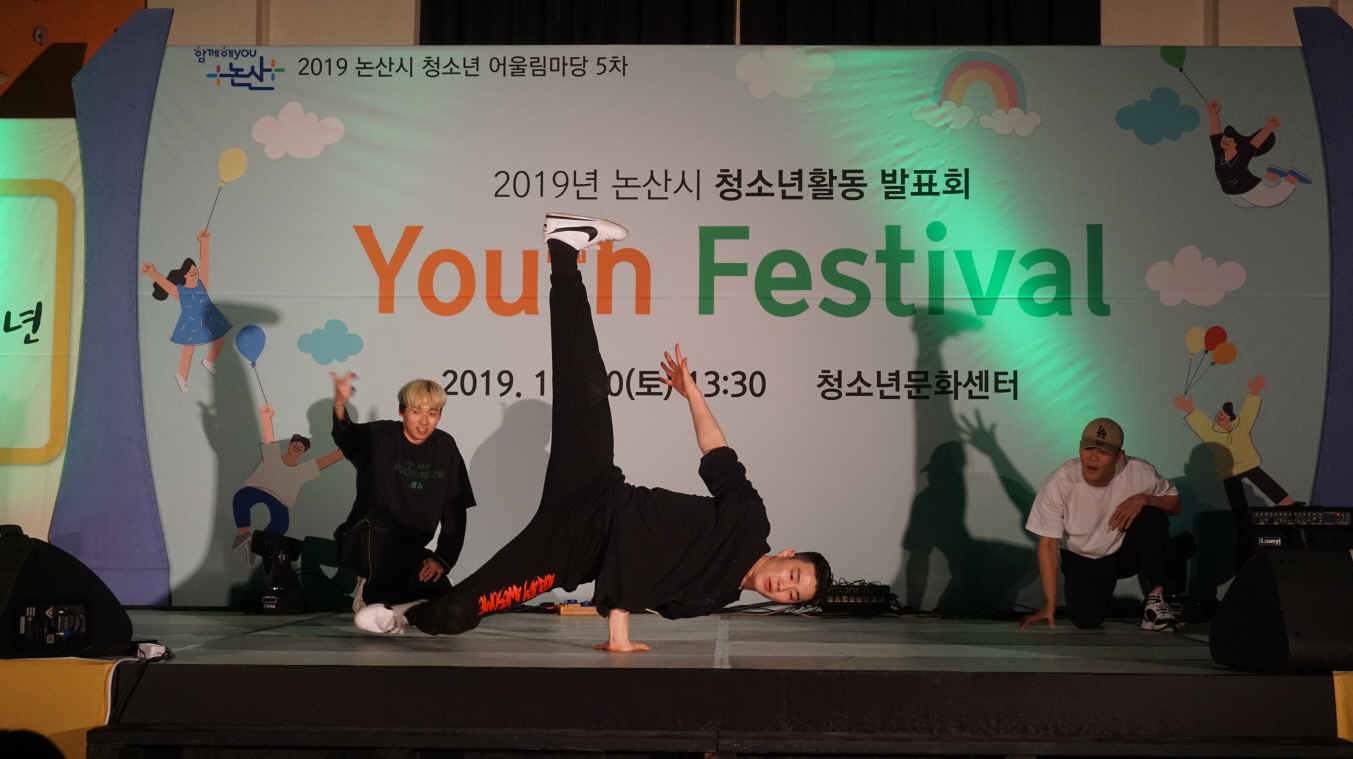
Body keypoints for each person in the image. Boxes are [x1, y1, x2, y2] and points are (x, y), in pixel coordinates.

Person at [354, 213, 833, 651]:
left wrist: (618, 629)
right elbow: (718, 453)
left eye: (792, 595)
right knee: (586, 386)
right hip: (594, 492)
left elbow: (639, 580)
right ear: (787, 554)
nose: (783, 587)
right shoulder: (750, 521)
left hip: (567, 554)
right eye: (793, 575)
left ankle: (406, 616)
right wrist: (692, 394)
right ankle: (564, 250)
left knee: (459, 613)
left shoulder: (713, 598)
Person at [1021, 418, 1183, 632]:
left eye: (1104, 452)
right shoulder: (1059, 482)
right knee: (1086, 620)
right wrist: (1049, 605)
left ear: (1119, 456)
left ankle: (1156, 600)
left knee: (1152, 514)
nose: (1093, 457)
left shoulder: (1139, 471)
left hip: (1124, 552)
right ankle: (1177, 550)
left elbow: (1175, 505)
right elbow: (1048, 544)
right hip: (1083, 557)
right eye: (1088, 448)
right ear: (1080, 448)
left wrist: (1143, 499)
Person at [331, 376, 476, 609]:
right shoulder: (382, 434)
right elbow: (346, 436)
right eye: (416, 411)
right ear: (401, 411)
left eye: (432, 413)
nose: (424, 421)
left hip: (406, 552)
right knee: (381, 522)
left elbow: (455, 512)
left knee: (441, 594)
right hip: (362, 544)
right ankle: (373, 599)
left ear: (440, 416)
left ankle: (385, 593)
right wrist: (339, 405)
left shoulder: (445, 446)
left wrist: (443, 559)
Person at [1173, 374, 1302, 569]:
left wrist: (1253, 393)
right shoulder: (1212, 432)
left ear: (1231, 418)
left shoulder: (1241, 427)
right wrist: (1189, 409)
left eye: (1224, 415)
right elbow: (1202, 425)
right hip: (1230, 472)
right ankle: (1242, 522)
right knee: (1237, 501)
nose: (1220, 416)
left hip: (1248, 464)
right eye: (1219, 414)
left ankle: (1289, 504)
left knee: (1265, 483)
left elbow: (1249, 414)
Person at [230, 404, 345, 563]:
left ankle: (256, 546)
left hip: (279, 500)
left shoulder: (303, 470)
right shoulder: (273, 455)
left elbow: (326, 460)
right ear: (290, 444)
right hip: (256, 490)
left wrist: (348, 447)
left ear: (304, 452)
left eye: (302, 447)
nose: (298, 446)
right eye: (296, 443)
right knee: (241, 497)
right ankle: (243, 536)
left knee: (281, 524)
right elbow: (269, 437)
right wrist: (266, 418)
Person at [139, 230, 232, 392]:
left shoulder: (202, 283)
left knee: (220, 340)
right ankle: (181, 376)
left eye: (193, 268)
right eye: (190, 271)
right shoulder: (180, 291)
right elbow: (165, 284)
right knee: (188, 349)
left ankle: (208, 360)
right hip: (191, 321)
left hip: (209, 316)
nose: (194, 270)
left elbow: (205, 263)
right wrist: (152, 273)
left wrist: (204, 243)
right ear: (184, 275)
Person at [1206, 99, 1311, 208]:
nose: (1225, 141)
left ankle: (1292, 177)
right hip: (1232, 192)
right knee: (1244, 204)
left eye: (1230, 140)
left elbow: (1255, 143)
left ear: (1235, 144)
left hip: (1247, 188)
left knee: (1273, 199)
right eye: (1225, 139)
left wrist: (1269, 127)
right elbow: (1215, 132)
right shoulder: (1219, 152)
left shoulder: (1242, 155)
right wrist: (1212, 112)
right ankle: (1272, 174)